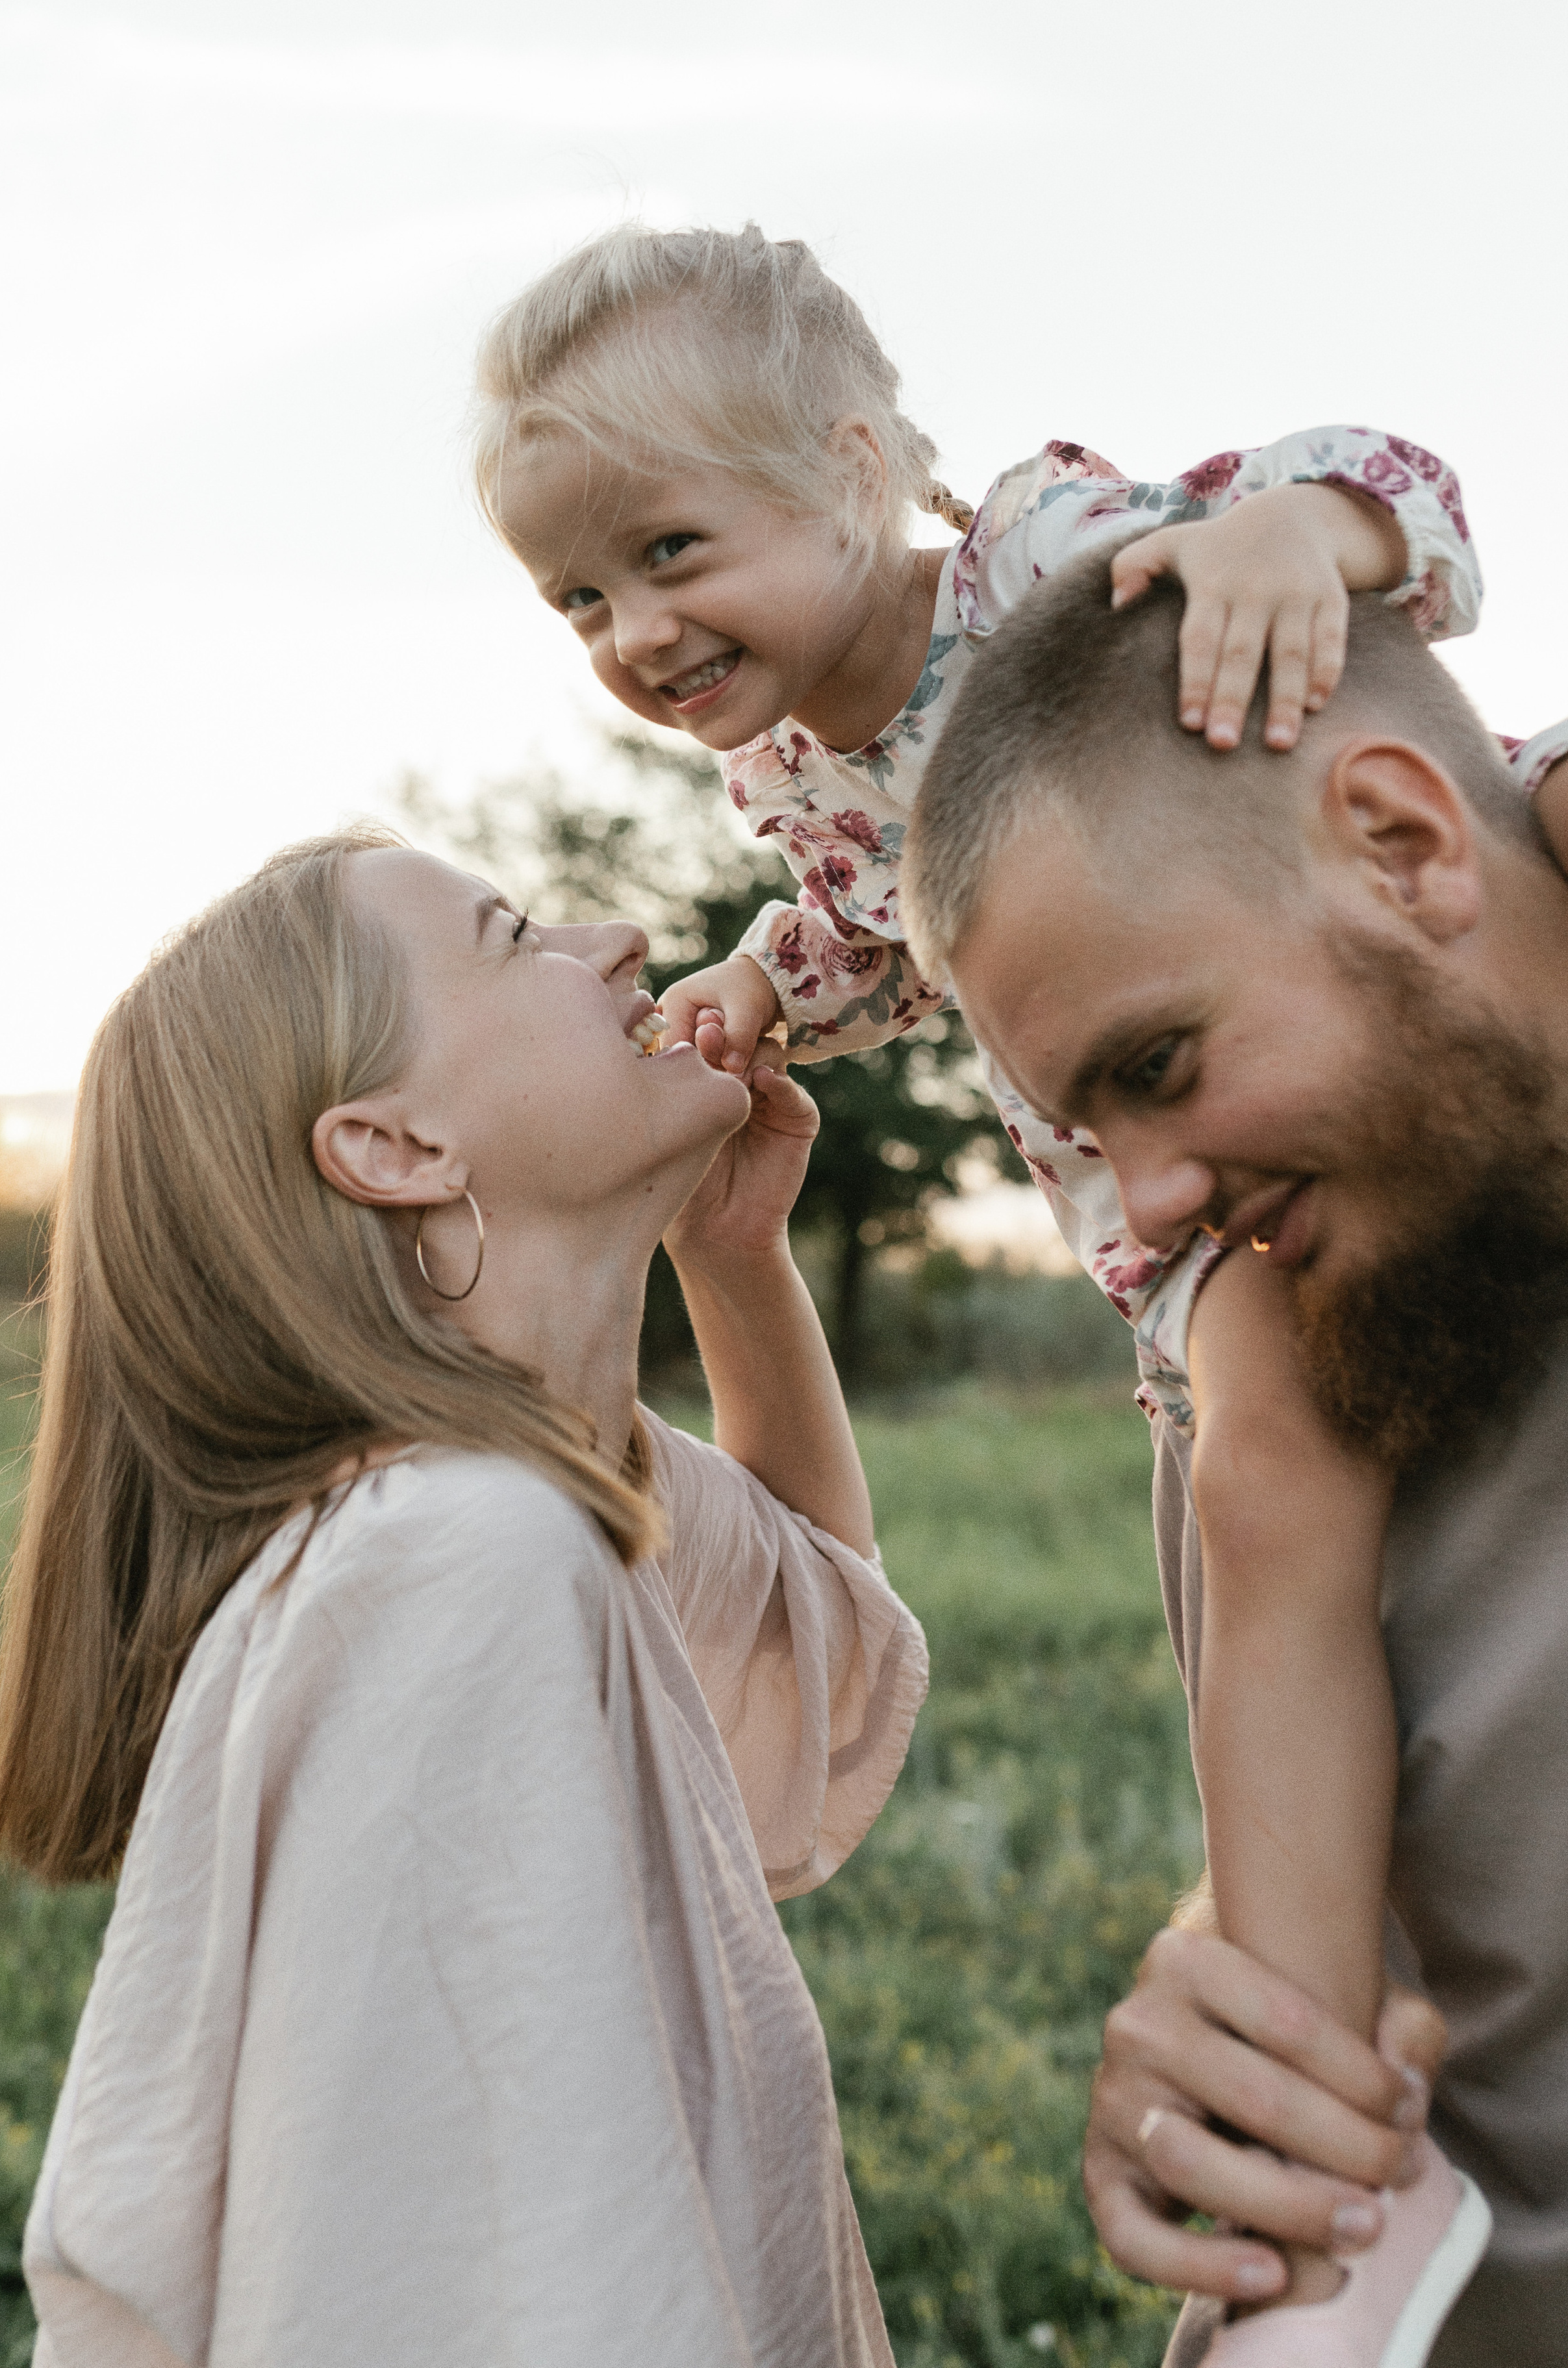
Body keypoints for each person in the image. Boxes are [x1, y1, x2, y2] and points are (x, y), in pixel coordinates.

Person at [468, 218, 1500, 2323]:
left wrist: (1310, 538)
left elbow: (1409, 492)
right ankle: (1317, 2009)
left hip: (1297, 1138)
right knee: (1239, 1563)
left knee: (1272, 1492)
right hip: (1169, 1239)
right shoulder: (795, 776)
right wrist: (768, 977)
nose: (630, 628)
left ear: (856, 470)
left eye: (672, 550)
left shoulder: (1044, 564)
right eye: (577, 594)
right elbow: (875, 932)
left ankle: (1292, 1994)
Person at [0, 829, 929, 2368]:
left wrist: (734, 1257)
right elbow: (512, 2291)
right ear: (396, 1149)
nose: (617, 939)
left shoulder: (521, 1498)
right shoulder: (458, 1558)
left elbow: (811, 1640)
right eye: (510, 936)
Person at [898, 550, 1568, 2367]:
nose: (1140, 1205)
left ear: (1402, 840)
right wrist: (1224, 2002)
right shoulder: (1277, 1386)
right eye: (1087, 1125)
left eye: (1162, 1061)